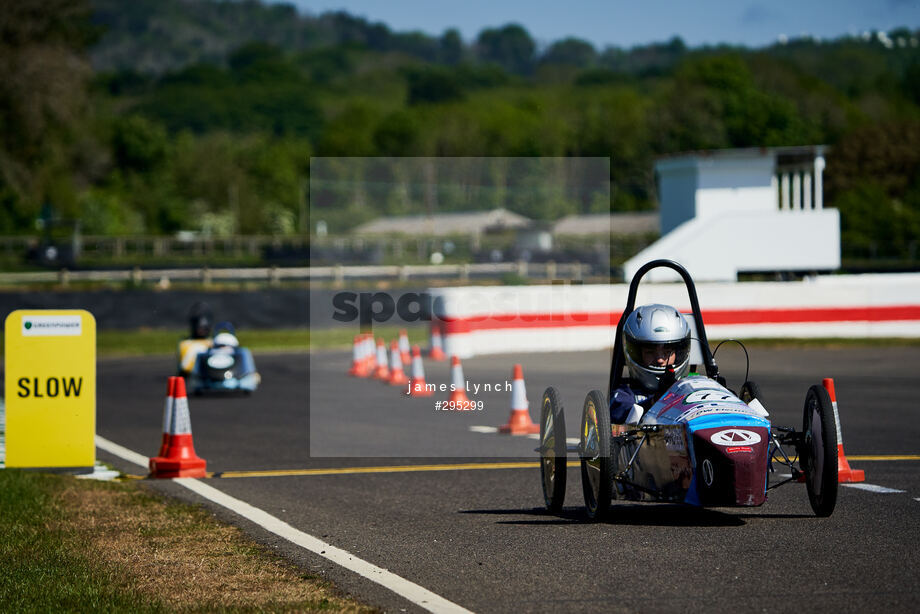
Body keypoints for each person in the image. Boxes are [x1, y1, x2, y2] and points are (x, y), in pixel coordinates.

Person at [610, 303, 692, 424]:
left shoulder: (691, 386)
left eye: (667, 352)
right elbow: (619, 415)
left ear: (679, 353)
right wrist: (656, 400)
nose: (660, 359)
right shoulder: (624, 395)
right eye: (650, 352)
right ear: (636, 353)